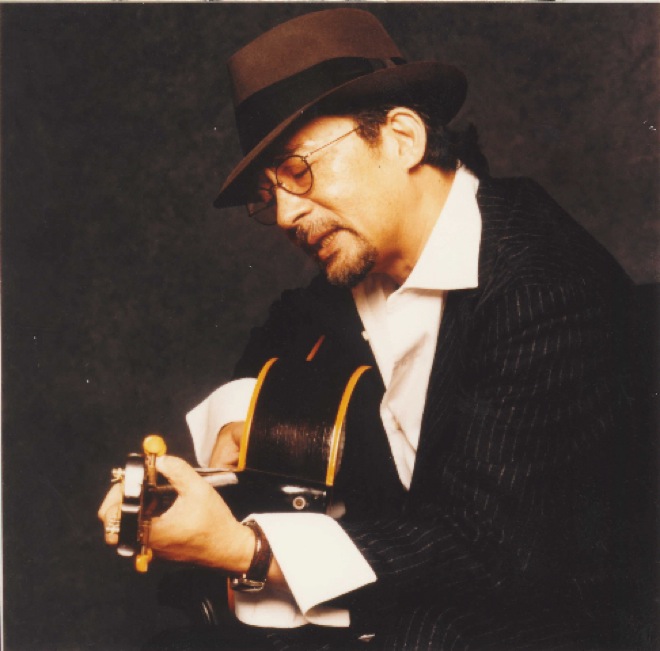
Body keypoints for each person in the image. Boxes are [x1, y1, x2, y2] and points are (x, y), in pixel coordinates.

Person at [99, 9, 642, 650]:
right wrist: (245, 419)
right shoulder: (357, 264)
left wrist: (246, 549)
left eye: (298, 171)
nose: (284, 215)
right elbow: (285, 333)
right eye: (268, 194)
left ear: (403, 138)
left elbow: (490, 552)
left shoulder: (546, 289)